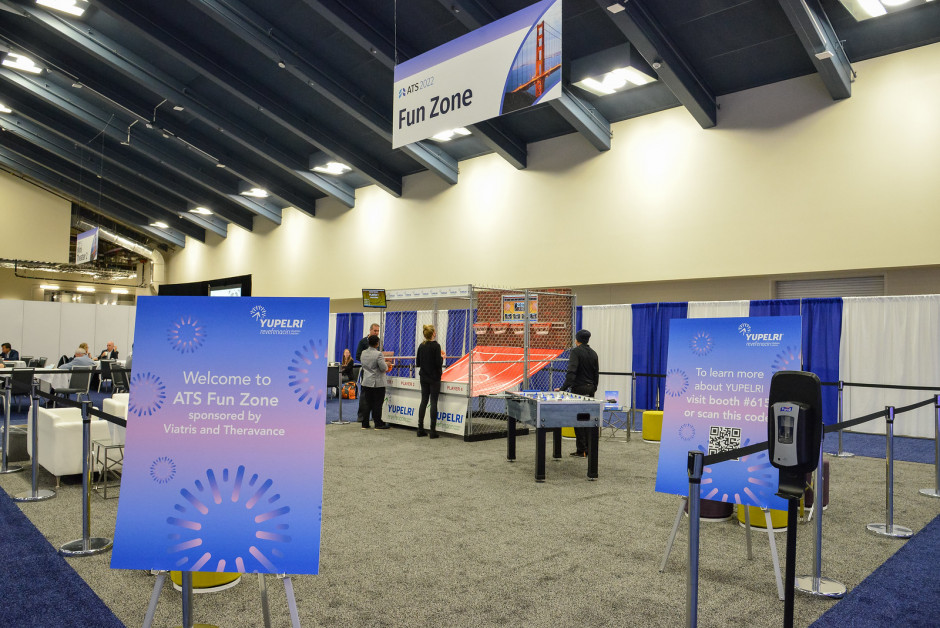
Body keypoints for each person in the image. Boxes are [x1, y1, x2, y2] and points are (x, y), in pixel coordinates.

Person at [558, 329, 599, 457]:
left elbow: (572, 372)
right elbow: (596, 374)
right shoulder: (593, 353)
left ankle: (582, 450)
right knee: (588, 419)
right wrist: (593, 388)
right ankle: (589, 449)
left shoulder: (575, 352)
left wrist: (563, 389)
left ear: (577, 340)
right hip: (590, 388)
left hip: (579, 390)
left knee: (579, 420)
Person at [414, 324, 443, 439]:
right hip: (434, 377)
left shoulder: (421, 346)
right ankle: (432, 430)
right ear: (433, 334)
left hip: (424, 377)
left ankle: (420, 428)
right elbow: (438, 363)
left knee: (424, 401)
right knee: (433, 402)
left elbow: (418, 363)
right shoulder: (436, 346)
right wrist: (442, 358)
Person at [358, 335, 389, 430]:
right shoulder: (378, 354)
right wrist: (387, 364)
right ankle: (378, 423)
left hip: (366, 381)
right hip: (377, 382)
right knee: (377, 403)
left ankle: (365, 423)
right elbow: (383, 368)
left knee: (367, 403)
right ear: (377, 344)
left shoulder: (363, 353)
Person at [356, 323, 380, 423]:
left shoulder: (379, 342)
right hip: (366, 372)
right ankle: (361, 417)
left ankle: (375, 416)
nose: (376, 333)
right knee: (364, 396)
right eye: (375, 331)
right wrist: (368, 361)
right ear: (370, 330)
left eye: (378, 331)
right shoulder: (363, 342)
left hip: (377, 373)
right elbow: (358, 356)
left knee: (376, 396)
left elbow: (381, 355)